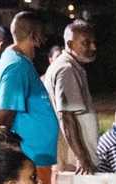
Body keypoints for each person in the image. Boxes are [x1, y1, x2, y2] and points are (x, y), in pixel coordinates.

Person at [0, 11, 59, 184]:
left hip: (36, 159)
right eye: (41, 35)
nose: (43, 41)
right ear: (33, 35)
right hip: (30, 162)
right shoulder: (16, 67)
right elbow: (4, 115)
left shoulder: (20, 61)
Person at [45, 21, 98, 175]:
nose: (93, 47)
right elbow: (66, 118)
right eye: (86, 43)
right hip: (74, 161)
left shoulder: (71, 66)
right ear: (70, 44)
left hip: (74, 158)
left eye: (94, 42)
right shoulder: (66, 70)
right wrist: (82, 158)